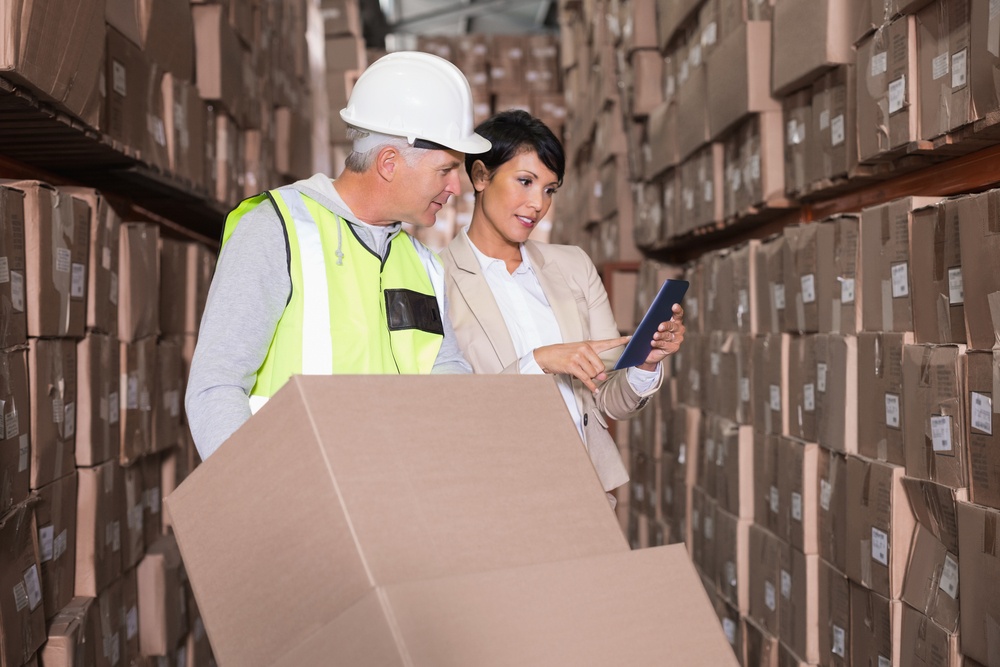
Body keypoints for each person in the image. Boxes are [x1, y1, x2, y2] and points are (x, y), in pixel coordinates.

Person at [186, 52, 491, 460]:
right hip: (297, 501)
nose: (458, 186)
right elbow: (216, 384)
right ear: (388, 163)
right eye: (446, 169)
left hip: (393, 502)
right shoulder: (277, 229)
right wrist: (255, 496)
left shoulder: (420, 263)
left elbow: (446, 374)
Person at [440, 110, 685, 496]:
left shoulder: (573, 266)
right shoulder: (436, 278)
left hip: (582, 485)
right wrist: (537, 362)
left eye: (550, 189)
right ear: (481, 176)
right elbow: (447, 411)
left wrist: (645, 364)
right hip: (493, 487)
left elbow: (610, 399)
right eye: (525, 181)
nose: (538, 204)